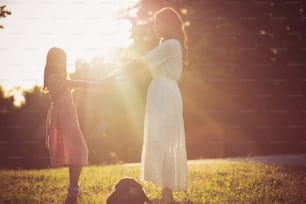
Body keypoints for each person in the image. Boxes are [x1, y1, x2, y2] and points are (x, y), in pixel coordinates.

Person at [137, 7, 189, 203]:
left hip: (164, 92)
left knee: (164, 138)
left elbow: (141, 61)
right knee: (161, 138)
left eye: (157, 23)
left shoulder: (170, 45)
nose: (154, 27)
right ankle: (166, 192)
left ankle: (167, 192)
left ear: (167, 24)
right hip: (162, 91)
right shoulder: (168, 45)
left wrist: (116, 72)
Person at [42, 47, 105, 200]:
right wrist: (101, 86)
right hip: (64, 117)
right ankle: (73, 189)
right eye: (61, 60)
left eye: (65, 60)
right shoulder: (55, 78)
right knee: (79, 150)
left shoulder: (57, 77)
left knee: (75, 151)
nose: (64, 63)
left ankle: (74, 188)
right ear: (53, 61)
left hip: (66, 115)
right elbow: (79, 84)